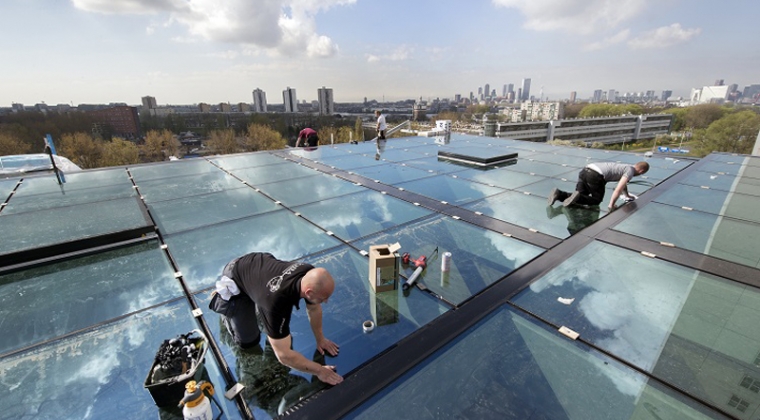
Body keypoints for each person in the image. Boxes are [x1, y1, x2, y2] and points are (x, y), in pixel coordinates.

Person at [208, 252, 343, 385]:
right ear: (309, 292)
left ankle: (260, 311)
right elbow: (283, 356)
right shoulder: (275, 303)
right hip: (237, 275)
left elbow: (313, 308)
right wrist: (319, 371)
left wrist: (321, 339)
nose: (326, 302)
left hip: (259, 274)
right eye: (324, 298)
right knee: (248, 342)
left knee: (283, 335)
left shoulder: (309, 273)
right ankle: (226, 313)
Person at [548, 161, 649, 210]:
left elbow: (623, 186)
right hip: (595, 175)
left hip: (585, 170)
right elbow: (618, 189)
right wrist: (611, 204)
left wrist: (627, 195)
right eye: (641, 173)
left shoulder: (625, 167)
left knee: (579, 198)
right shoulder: (630, 171)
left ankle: (559, 194)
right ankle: (571, 196)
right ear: (641, 171)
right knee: (596, 200)